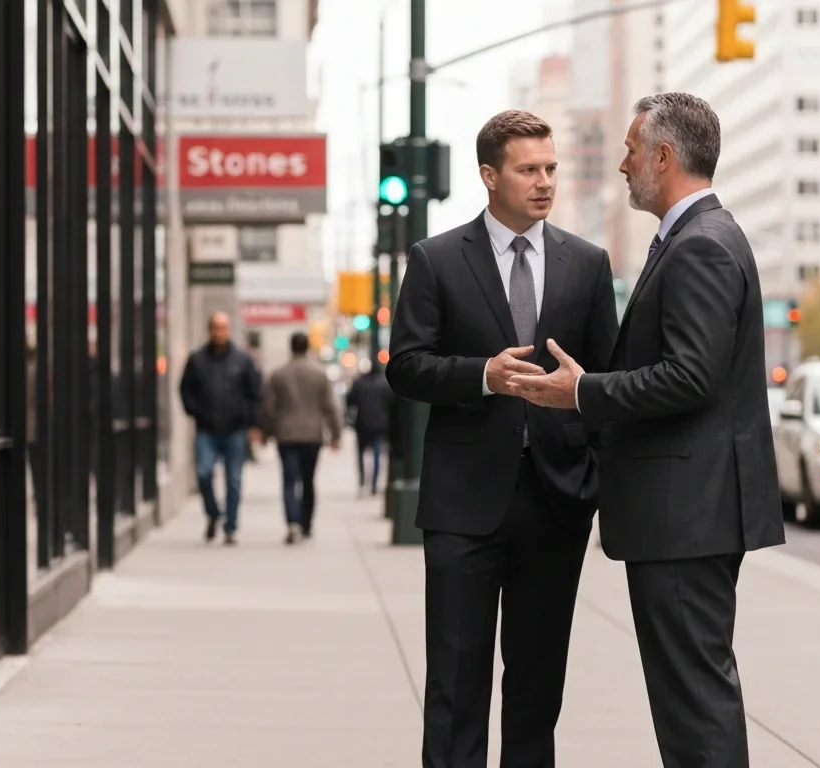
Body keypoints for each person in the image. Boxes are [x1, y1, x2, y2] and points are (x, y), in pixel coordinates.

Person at [508, 92, 787, 768]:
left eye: (633, 150)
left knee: (693, 697)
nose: (624, 164)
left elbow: (691, 378)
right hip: (684, 514)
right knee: (690, 692)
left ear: (664, 157)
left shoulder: (702, 248)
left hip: (686, 516)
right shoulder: (694, 240)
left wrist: (583, 392)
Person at [385, 109, 619, 767]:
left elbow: (606, 379)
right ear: (490, 175)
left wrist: (592, 474)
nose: (544, 182)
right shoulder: (435, 260)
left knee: (537, 691)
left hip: (556, 500)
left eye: (550, 168)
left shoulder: (588, 264)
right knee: (455, 686)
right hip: (464, 502)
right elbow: (405, 366)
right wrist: (482, 376)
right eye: (528, 170)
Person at [178, 311, 263, 545]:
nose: (220, 332)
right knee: (204, 474)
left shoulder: (242, 361)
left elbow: (255, 394)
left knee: (233, 480)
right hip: (206, 429)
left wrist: (253, 424)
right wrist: (195, 411)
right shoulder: (197, 359)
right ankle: (213, 513)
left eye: (224, 328)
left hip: (234, 429)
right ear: (210, 330)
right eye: (216, 327)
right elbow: (185, 390)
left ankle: (230, 526)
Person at [260, 331, 342, 544]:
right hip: (312, 435)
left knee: (289, 480)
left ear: (291, 347)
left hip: (286, 435)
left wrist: (266, 431)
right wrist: (336, 434)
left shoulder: (279, 374)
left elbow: (269, 407)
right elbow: (331, 406)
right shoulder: (319, 374)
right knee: (308, 480)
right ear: (307, 348)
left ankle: (292, 522)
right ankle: (306, 523)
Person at [345, 367, 393, 495]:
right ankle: (374, 483)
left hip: (362, 423)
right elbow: (391, 403)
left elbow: (350, 401)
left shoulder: (359, 383)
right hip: (379, 424)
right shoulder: (384, 384)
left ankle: (362, 480)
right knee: (377, 453)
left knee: (360, 453)